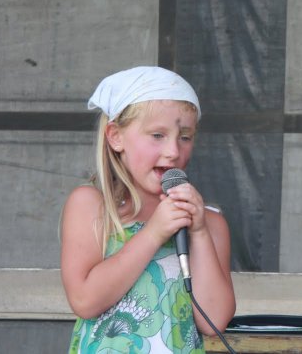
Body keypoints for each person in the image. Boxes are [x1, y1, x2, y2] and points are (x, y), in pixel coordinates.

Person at [61, 66, 235, 353]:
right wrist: (154, 233)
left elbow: (214, 320)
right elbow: (84, 301)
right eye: (157, 135)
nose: (173, 151)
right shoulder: (92, 206)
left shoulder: (210, 223)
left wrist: (199, 233)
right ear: (115, 136)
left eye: (185, 137)